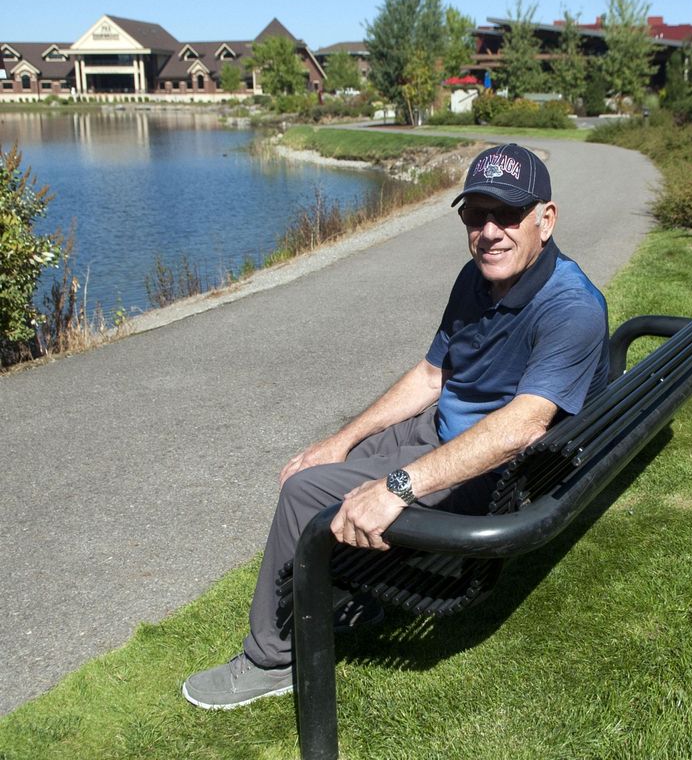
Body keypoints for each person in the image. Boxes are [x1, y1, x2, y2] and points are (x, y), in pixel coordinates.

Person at [183, 143, 609, 710]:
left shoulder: (570, 306)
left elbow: (522, 427)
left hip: (486, 474)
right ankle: (335, 596)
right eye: (475, 216)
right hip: (445, 427)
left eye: (506, 215)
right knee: (325, 463)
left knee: (302, 491)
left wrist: (397, 486)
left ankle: (272, 659)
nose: (489, 232)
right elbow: (433, 375)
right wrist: (342, 438)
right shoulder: (475, 278)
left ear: (545, 220)